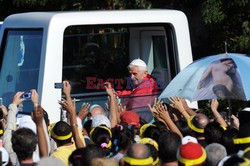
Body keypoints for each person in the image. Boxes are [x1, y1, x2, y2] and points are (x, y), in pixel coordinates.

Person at [108, 58, 159, 122]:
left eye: (135, 74)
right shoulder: (146, 80)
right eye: (130, 74)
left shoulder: (148, 86)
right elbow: (132, 92)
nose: (131, 77)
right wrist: (117, 94)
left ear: (145, 73)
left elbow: (132, 105)